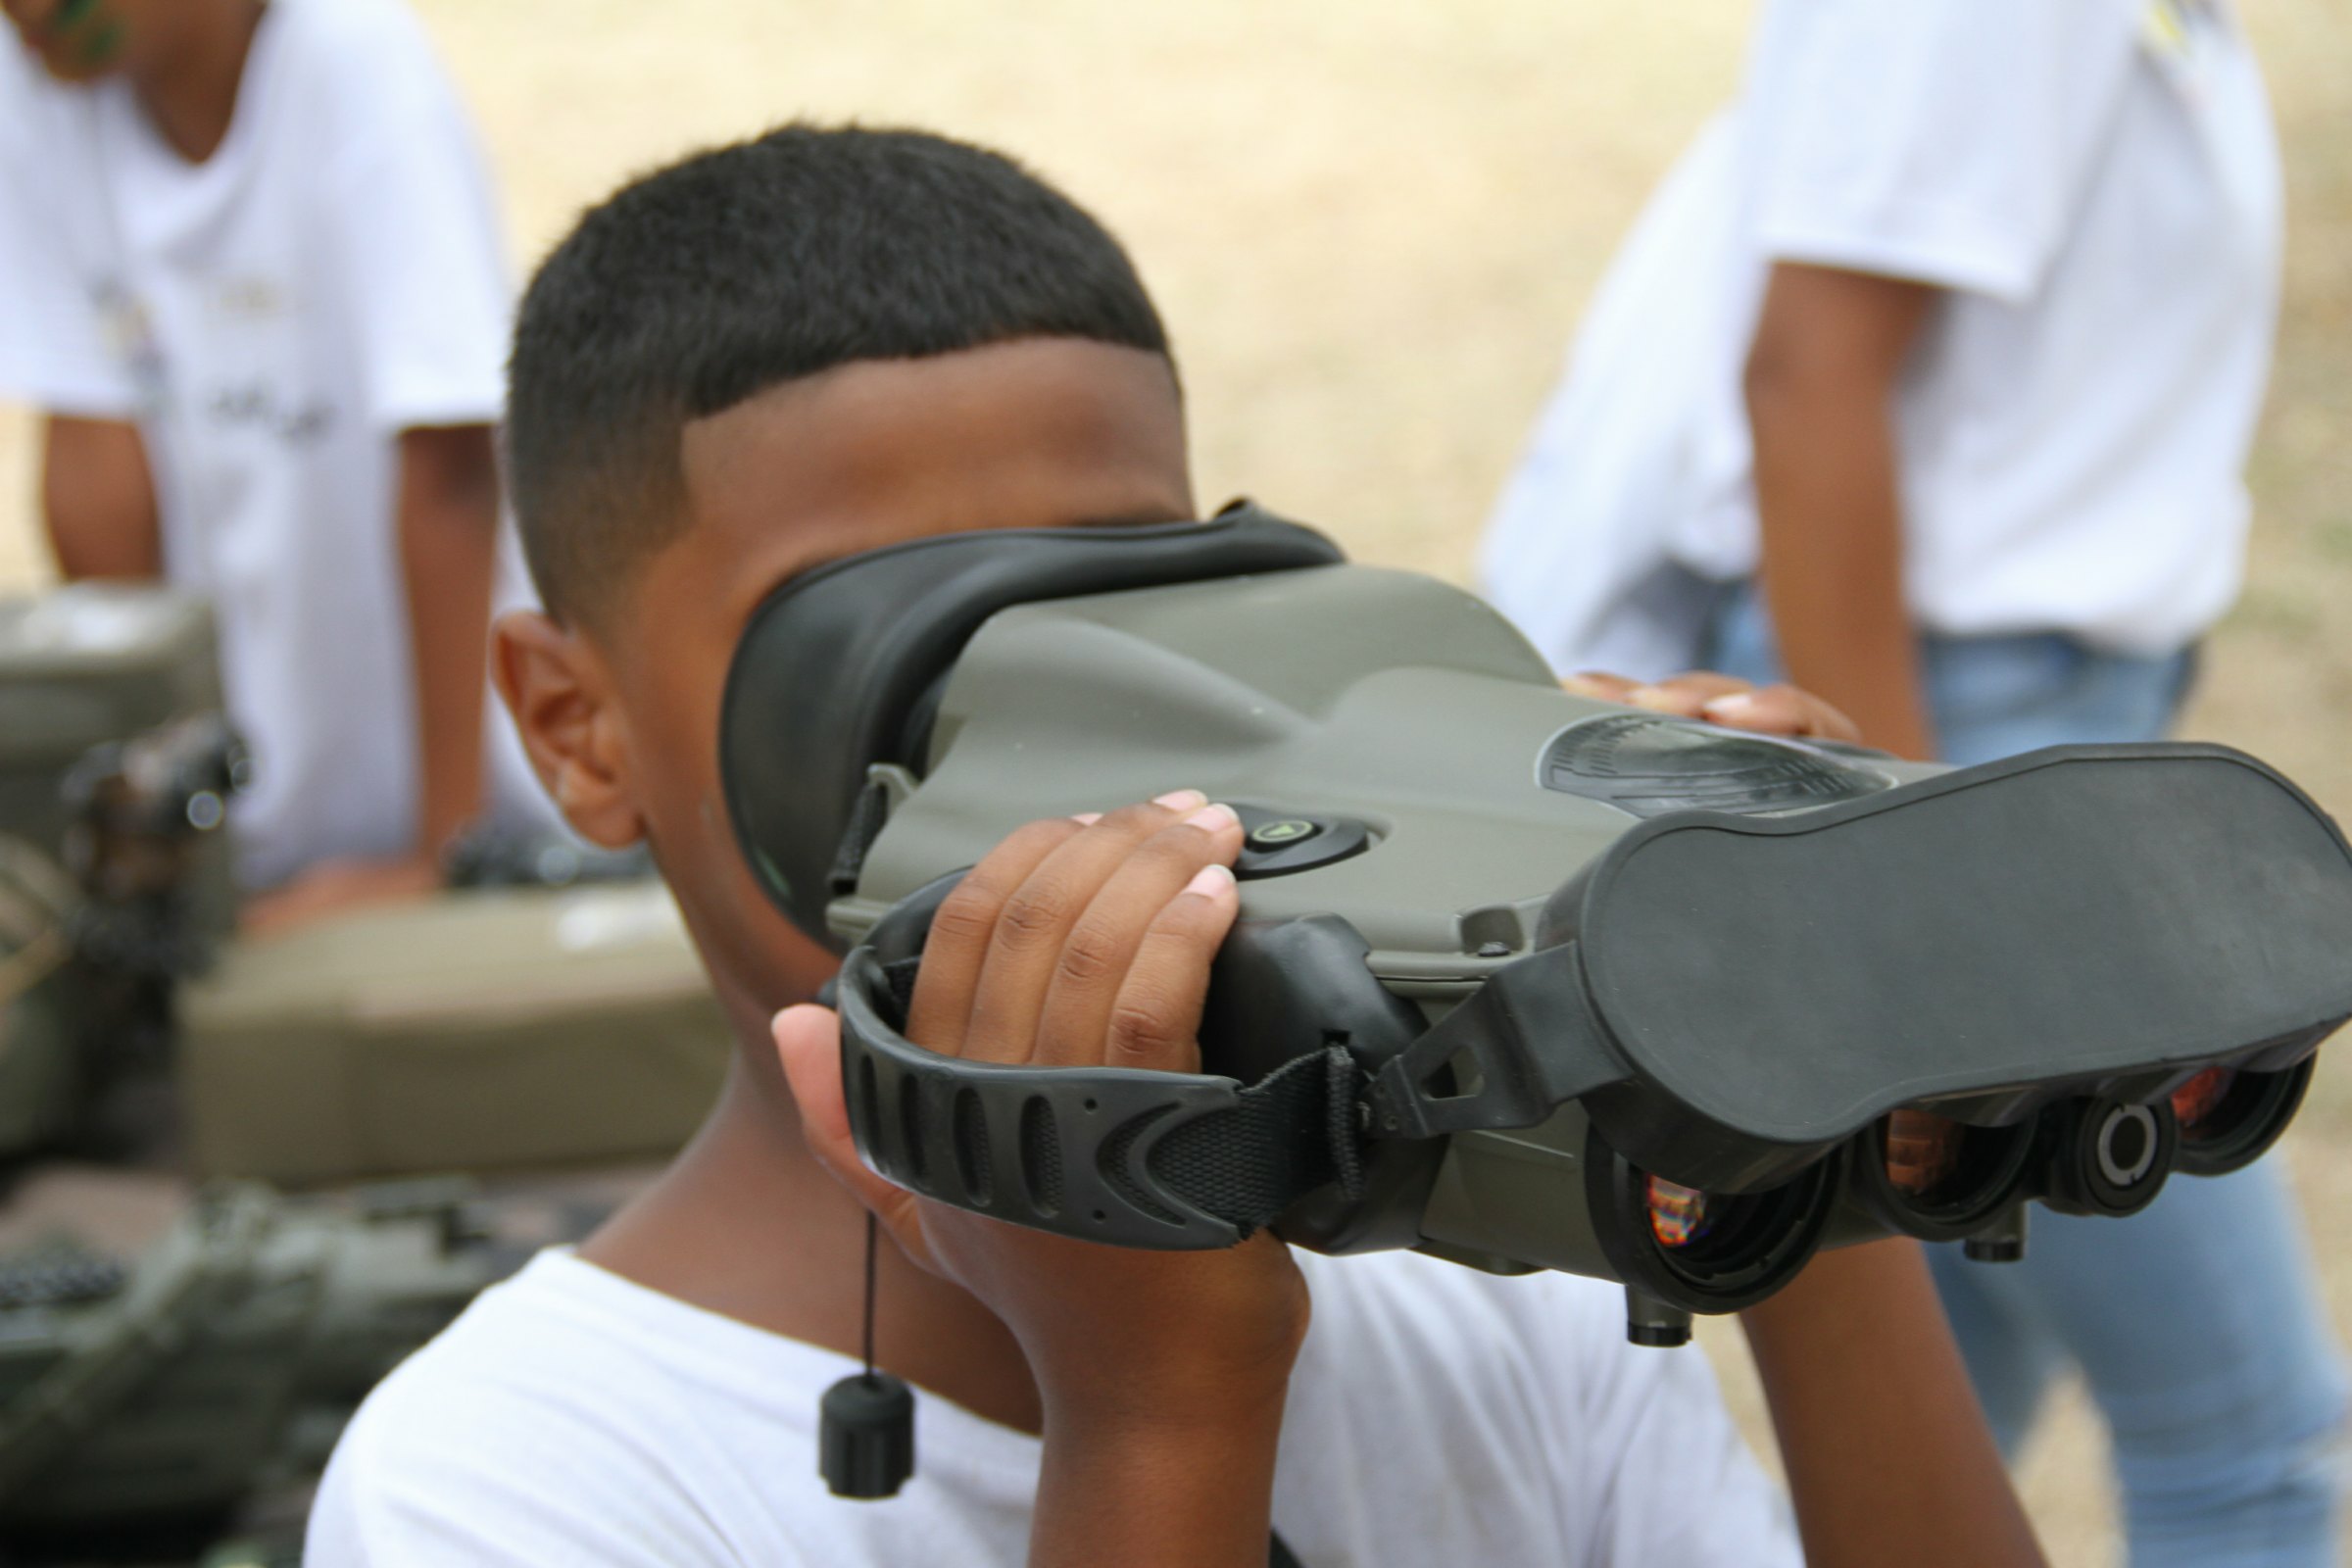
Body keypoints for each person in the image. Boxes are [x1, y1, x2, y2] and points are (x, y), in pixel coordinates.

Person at [304, 123, 2044, 1567]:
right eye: (884, 652)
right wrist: (1156, 1412)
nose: (1059, 747)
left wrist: (1791, 1112)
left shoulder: (1486, 1272)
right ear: (572, 728)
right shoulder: (508, 1489)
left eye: (1125, 611)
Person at [1479, 2, 2345, 1562]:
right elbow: (1811, 375)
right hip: (1957, 733)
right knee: (2244, 1438)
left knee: (1955, 1406)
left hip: (2040, 721)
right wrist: (1910, 861)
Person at [0, 0, 551, 929]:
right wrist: (167, 836)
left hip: (478, 804)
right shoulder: (45, 78)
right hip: (258, 825)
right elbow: (97, 466)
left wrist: (443, 849)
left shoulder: (351, 58)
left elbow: (449, 460)